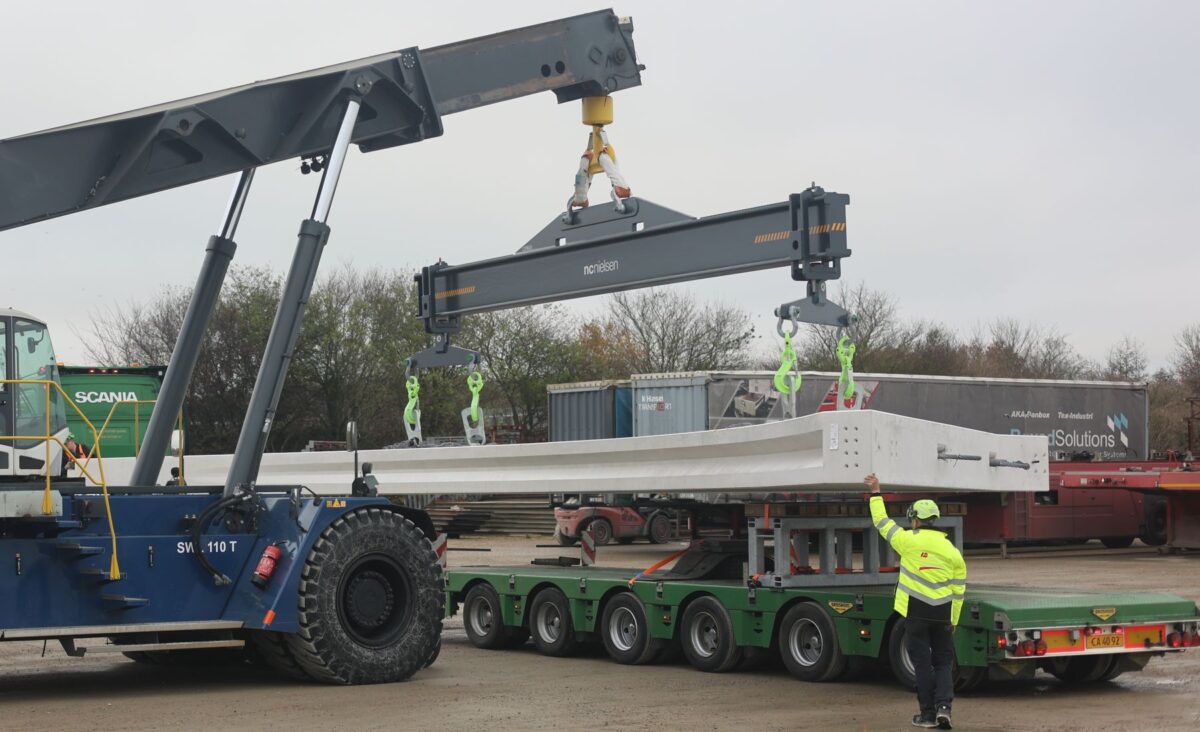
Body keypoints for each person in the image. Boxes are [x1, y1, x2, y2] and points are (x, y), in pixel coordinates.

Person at [865, 473, 966, 730]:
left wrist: (876, 491)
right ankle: (945, 708)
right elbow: (958, 591)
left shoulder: (907, 541)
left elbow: (881, 521)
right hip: (943, 615)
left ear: (915, 520)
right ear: (935, 521)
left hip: (916, 614)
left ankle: (928, 715)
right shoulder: (952, 552)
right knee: (943, 663)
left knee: (922, 665)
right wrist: (953, 620)